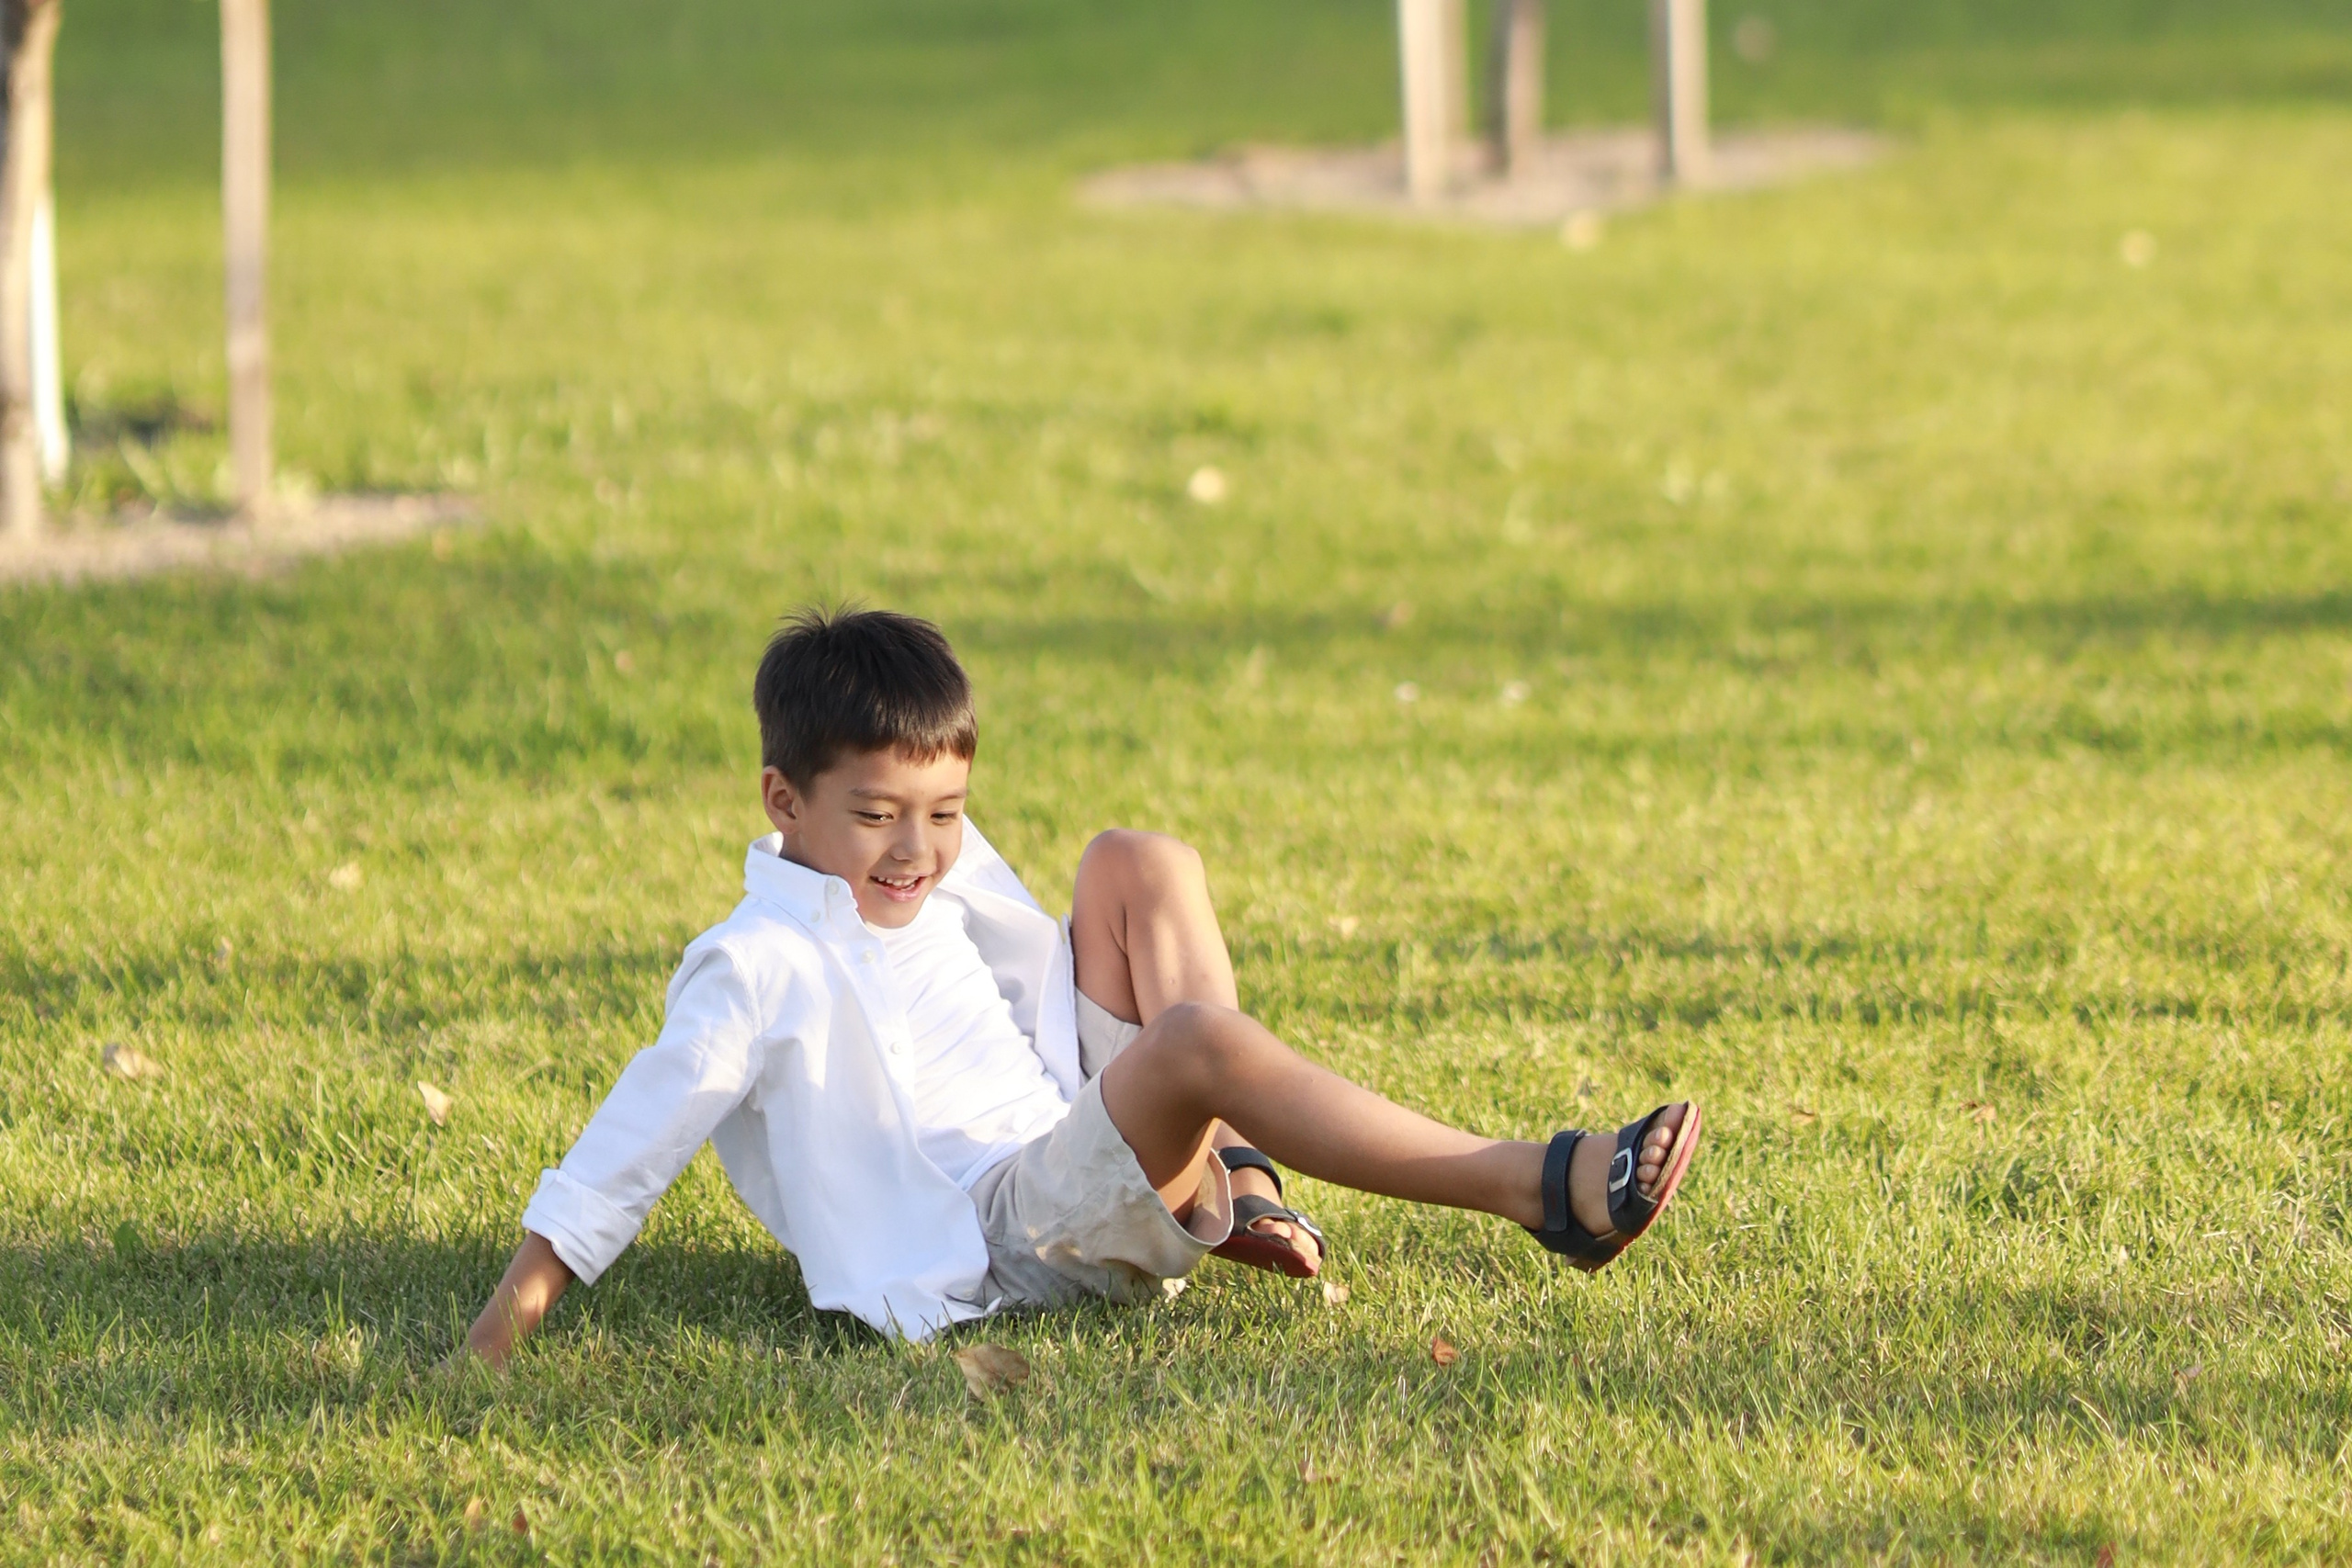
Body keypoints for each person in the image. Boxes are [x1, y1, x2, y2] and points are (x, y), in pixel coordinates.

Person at [457, 607, 1700, 1364]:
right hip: (1004, 1233)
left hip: (1065, 1134)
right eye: (878, 816)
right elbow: (633, 1142)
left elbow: (1029, 969)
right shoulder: (758, 964)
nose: (918, 851)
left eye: (946, 812)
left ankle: (1238, 1174)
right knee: (1198, 1043)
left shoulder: (921, 871)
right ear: (784, 800)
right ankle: (1534, 1187)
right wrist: (504, 1324)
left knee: (1136, 860)